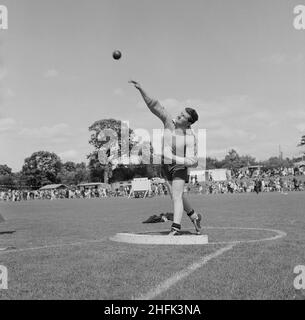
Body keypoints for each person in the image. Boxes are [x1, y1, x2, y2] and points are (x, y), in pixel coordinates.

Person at [129, 80, 202, 235]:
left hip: (179, 166)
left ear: (188, 123)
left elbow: (193, 162)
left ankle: (175, 227)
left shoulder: (190, 137)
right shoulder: (169, 122)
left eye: (182, 116)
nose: (178, 116)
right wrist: (142, 89)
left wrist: (174, 158)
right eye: (180, 113)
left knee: (176, 196)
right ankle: (195, 217)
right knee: (177, 195)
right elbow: (155, 106)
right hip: (165, 164)